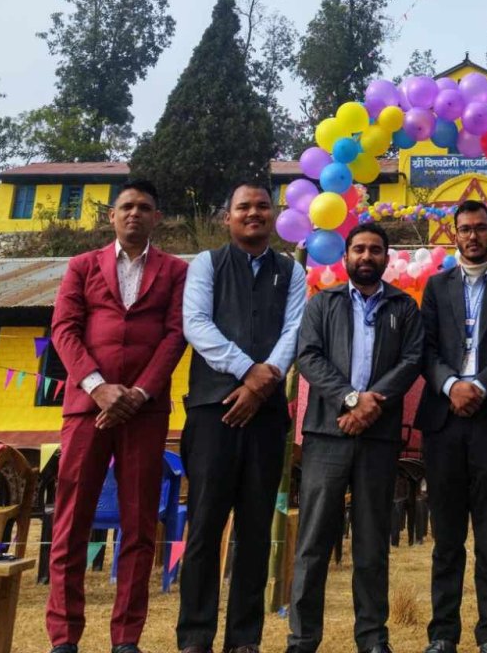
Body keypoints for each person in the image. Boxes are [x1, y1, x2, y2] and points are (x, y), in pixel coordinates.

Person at [46, 179, 188, 653]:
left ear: (156, 218)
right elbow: (64, 329)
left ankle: (126, 638)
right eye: (126, 206)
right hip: (87, 409)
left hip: (145, 413)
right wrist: (98, 388)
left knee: (140, 524)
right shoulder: (82, 266)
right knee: (71, 521)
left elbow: (175, 335)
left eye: (144, 207)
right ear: (111, 215)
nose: (134, 213)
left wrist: (139, 393)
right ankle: (63, 637)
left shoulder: (175, 271)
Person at [176, 181, 308, 653]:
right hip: (212, 413)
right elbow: (196, 324)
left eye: (262, 206)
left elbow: (295, 330)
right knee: (204, 527)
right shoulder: (206, 264)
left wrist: (261, 383)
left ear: (274, 214)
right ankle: (195, 636)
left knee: (255, 530)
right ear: (227, 217)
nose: (254, 213)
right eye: (244, 207)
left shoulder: (291, 271)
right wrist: (247, 371)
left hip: (266, 416)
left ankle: (244, 640)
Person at [288, 222, 424, 653]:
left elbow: (412, 360)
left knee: (372, 541)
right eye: (359, 249)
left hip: (378, 437)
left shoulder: (404, 307)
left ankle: (372, 638)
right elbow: (308, 356)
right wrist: (350, 400)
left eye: (375, 250)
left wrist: (371, 405)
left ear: (387, 257)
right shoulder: (322, 303)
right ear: (345, 256)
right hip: (327, 435)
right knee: (313, 541)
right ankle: (302, 639)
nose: (367, 256)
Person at [415, 199, 487, 653]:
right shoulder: (435, 286)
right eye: (464, 229)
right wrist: (451, 386)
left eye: (480, 228)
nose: (472, 235)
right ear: (455, 234)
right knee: (446, 538)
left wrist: (478, 387)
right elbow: (424, 348)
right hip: (444, 419)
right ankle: (443, 634)